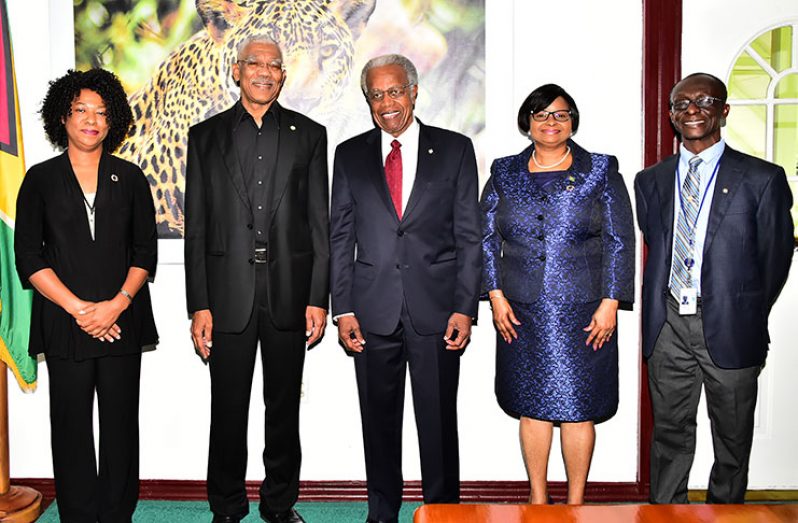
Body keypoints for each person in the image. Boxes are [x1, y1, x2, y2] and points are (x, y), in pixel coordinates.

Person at [184, 33, 329, 523]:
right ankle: (225, 506)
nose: (265, 71)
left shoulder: (310, 135)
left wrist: (318, 296)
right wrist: (198, 304)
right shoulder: (205, 138)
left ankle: (278, 503)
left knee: (283, 409)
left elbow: (319, 224)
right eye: (255, 63)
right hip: (226, 295)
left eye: (274, 65)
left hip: (289, 291)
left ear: (283, 75)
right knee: (226, 410)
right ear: (237, 70)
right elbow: (197, 228)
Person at [330, 54, 481, 523]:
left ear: (414, 91)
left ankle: (442, 512)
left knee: (437, 425)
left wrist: (464, 307)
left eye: (394, 91)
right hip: (372, 311)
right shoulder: (349, 154)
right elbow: (340, 236)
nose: (386, 102)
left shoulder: (455, 149)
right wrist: (343, 308)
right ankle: (382, 512)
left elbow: (469, 236)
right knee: (378, 422)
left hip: (437, 311)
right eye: (376, 94)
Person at [634, 72, 793, 504]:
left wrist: (747, 308)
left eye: (704, 101)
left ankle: (726, 513)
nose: (692, 109)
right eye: (681, 103)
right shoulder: (649, 180)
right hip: (666, 325)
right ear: (670, 115)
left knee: (732, 436)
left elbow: (777, 257)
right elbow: (657, 242)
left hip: (731, 324)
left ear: (723, 110)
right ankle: (667, 512)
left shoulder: (763, 178)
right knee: (668, 432)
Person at [14, 68, 158, 523]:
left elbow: (144, 252)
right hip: (64, 322)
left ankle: (117, 515)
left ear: (112, 120)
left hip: (122, 321)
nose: (91, 120)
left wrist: (115, 304)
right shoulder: (39, 179)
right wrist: (80, 310)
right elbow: (29, 258)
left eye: (101, 112)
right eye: (81, 110)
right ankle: (78, 515)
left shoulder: (131, 178)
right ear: (62, 117)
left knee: (120, 428)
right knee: (71, 428)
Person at [481, 84, 635, 504]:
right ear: (527, 122)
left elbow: (620, 239)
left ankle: (576, 503)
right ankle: (537, 499)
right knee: (532, 405)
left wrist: (611, 303)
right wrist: (495, 296)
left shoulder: (600, 170)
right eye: (541, 114)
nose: (551, 122)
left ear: (573, 122)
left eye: (561, 114)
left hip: (585, 312)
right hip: (520, 310)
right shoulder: (503, 171)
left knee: (578, 407)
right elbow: (485, 239)